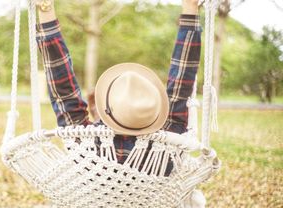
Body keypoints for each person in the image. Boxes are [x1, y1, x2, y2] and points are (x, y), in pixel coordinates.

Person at [36, 0, 201, 167]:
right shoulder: (167, 146)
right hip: (152, 183)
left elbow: (61, 84)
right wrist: (191, 7)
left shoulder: (84, 144)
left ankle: (97, 111)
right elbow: (183, 78)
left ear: (107, 108)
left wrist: (45, 8)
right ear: (156, 113)